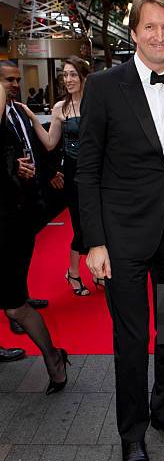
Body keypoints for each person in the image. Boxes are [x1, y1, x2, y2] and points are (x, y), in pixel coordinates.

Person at [77, 0, 164, 461]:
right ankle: (132, 434)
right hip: (122, 236)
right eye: (149, 26)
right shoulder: (105, 85)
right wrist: (93, 241)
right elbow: (87, 168)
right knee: (131, 341)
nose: (159, 35)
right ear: (133, 32)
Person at [0, 69, 69, 394]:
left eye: (14, 80)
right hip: (15, 213)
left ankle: (53, 357)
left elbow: (36, 148)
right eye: (7, 80)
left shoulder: (14, 114)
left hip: (11, 221)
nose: (13, 85)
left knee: (15, 305)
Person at [20, 57, 94, 296]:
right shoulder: (60, 108)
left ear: (84, 77)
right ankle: (73, 273)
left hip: (97, 173)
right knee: (82, 227)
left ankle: (97, 272)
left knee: (100, 224)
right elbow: (51, 143)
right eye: (65, 75)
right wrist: (32, 119)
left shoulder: (96, 104)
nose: (69, 79)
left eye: (73, 74)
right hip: (74, 175)